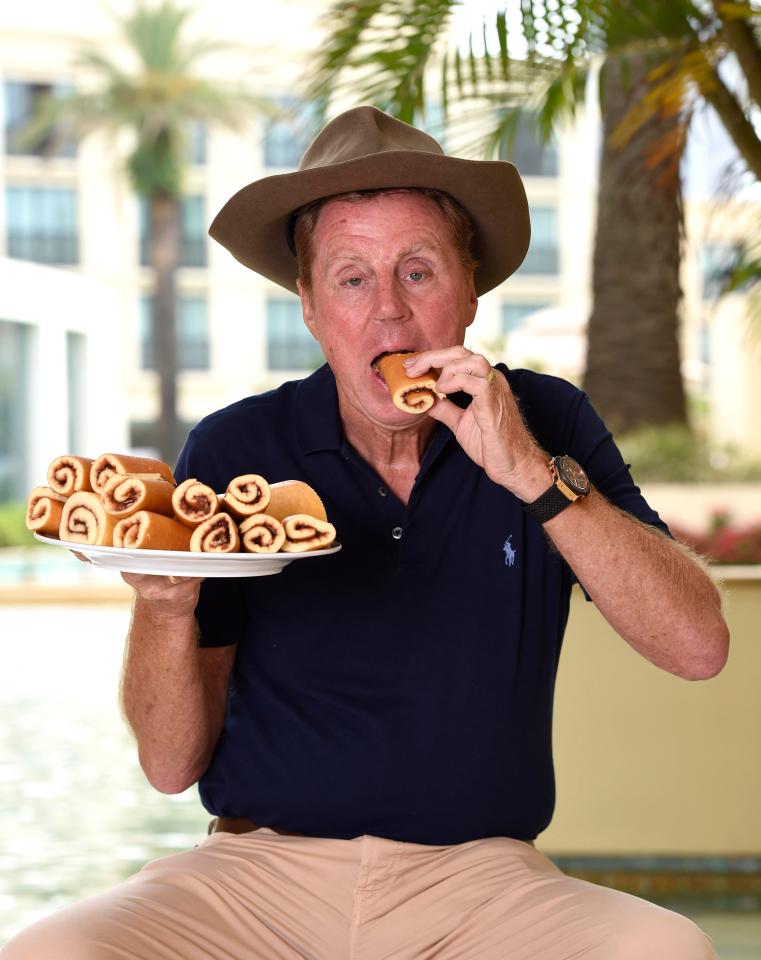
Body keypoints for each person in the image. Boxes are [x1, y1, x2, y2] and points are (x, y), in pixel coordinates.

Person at [3, 106, 729, 960]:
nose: (388, 314)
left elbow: (697, 648)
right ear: (309, 306)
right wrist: (162, 611)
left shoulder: (545, 421)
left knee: (664, 950)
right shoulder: (238, 446)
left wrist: (530, 473)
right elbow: (169, 768)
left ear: (469, 288)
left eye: (417, 271)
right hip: (253, 878)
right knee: (48, 952)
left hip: (481, 882)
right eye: (351, 279)